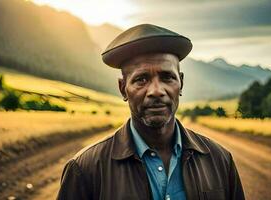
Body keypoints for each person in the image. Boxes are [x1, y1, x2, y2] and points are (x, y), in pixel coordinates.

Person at [57, 24, 245, 200]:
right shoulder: (84, 170)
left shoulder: (220, 160)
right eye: (141, 79)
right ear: (123, 89)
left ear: (181, 83)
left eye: (167, 77)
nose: (156, 91)